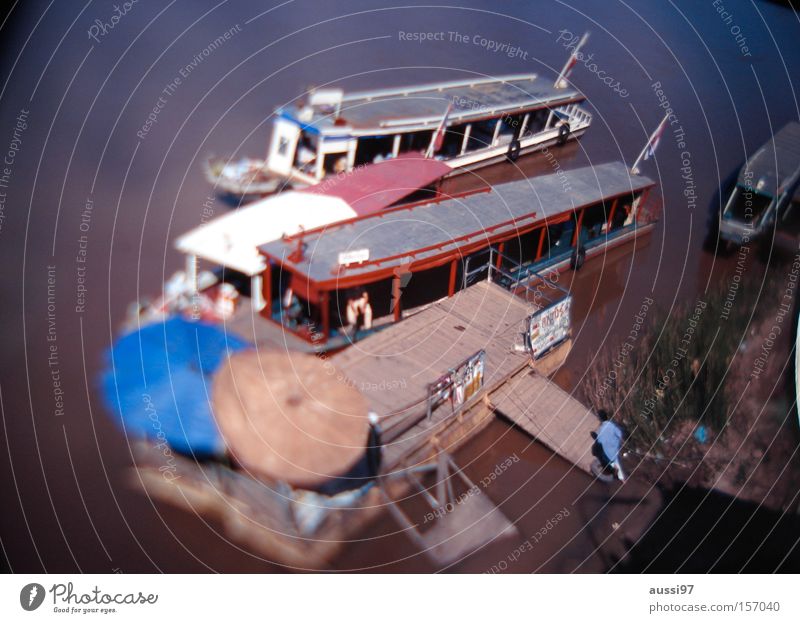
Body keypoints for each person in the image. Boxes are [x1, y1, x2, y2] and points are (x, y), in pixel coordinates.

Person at [591, 410, 627, 482]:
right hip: (604, 451)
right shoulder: (608, 427)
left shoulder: (607, 426)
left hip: (601, 450)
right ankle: (613, 473)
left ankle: (612, 472)